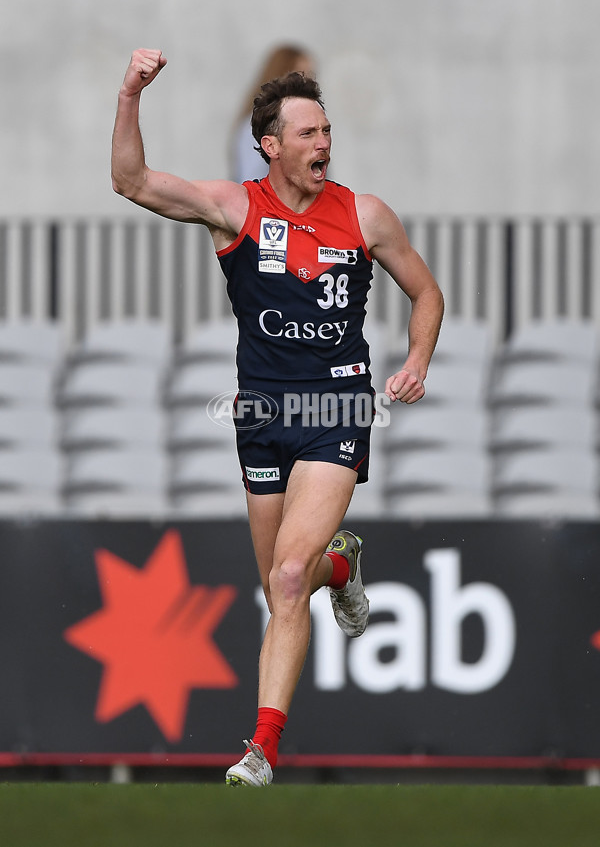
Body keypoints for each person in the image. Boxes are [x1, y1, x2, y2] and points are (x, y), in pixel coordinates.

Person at [111, 49, 444, 787]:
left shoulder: (364, 214)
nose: (324, 143)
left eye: (327, 130)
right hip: (262, 414)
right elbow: (130, 181)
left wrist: (417, 358)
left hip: (337, 408)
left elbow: (427, 293)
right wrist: (131, 91)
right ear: (271, 146)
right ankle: (343, 564)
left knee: (289, 577)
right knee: (281, 585)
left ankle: (259, 752)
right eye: (308, 133)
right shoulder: (235, 207)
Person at [230, 44, 315, 183]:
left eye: (311, 76)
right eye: (300, 76)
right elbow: (252, 182)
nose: (308, 85)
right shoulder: (259, 126)